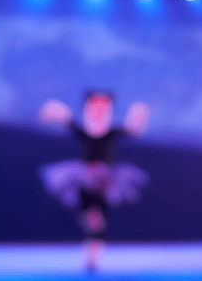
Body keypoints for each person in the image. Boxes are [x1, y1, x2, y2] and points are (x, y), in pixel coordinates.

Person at [38, 91, 150, 272]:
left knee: (99, 224)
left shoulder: (111, 133)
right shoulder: (84, 132)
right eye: (95, 107)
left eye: (104, 108)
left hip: (105, 184)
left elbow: (133, 131)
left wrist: (138, 116)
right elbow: (61, 119)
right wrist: (54, 112)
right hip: (86, 182)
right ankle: (91, 241)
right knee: (92, 219)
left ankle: (93, 255)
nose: (99, 111)